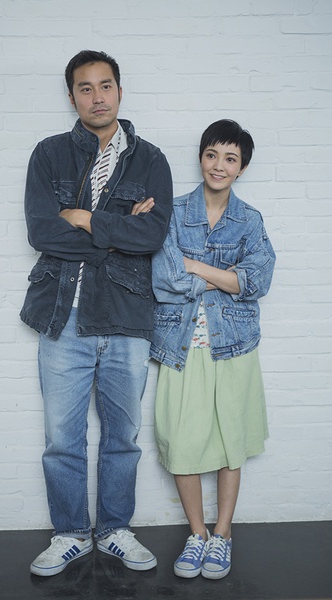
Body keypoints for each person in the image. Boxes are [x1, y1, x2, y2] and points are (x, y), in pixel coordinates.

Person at [20, 50, 173, 576]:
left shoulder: (151, 160)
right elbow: (42, 231)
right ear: (72, 97)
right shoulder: (49, 154)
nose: (97, 96)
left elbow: (152, 236)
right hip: (63, 316)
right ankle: (69, 534)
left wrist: (84, 218)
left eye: (105, 85)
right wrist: (118, 230)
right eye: (85, 88)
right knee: (62, 439)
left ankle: (113, 530)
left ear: (120, 91)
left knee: (122, 438)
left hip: (127, 316)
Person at [150, 119, 275, 580]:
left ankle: (222, 534)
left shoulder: (250, 220)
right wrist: (227, 278)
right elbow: (164, 280)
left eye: (230, 158)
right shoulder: (172, 213)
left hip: (234, 348)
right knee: (182, 441)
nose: (219, 165)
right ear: (201, 157)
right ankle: (197, 533)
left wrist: (195, 266)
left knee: (229, 442)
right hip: (181, 346)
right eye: (211, 155)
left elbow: (257, 281)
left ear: (241, 168)